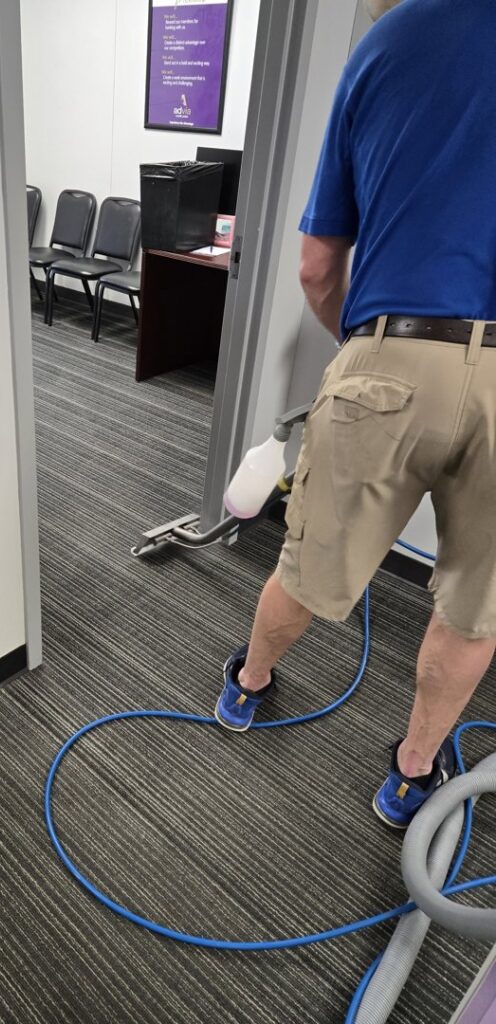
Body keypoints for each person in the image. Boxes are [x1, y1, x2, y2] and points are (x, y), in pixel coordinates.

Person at [215, 0, 496, 829]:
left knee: (307, 567)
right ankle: (411, 777)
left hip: (389, 348)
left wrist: (370, 354)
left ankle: (248, 685)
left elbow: (315, 265)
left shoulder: (386, 42)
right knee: (476, 608)